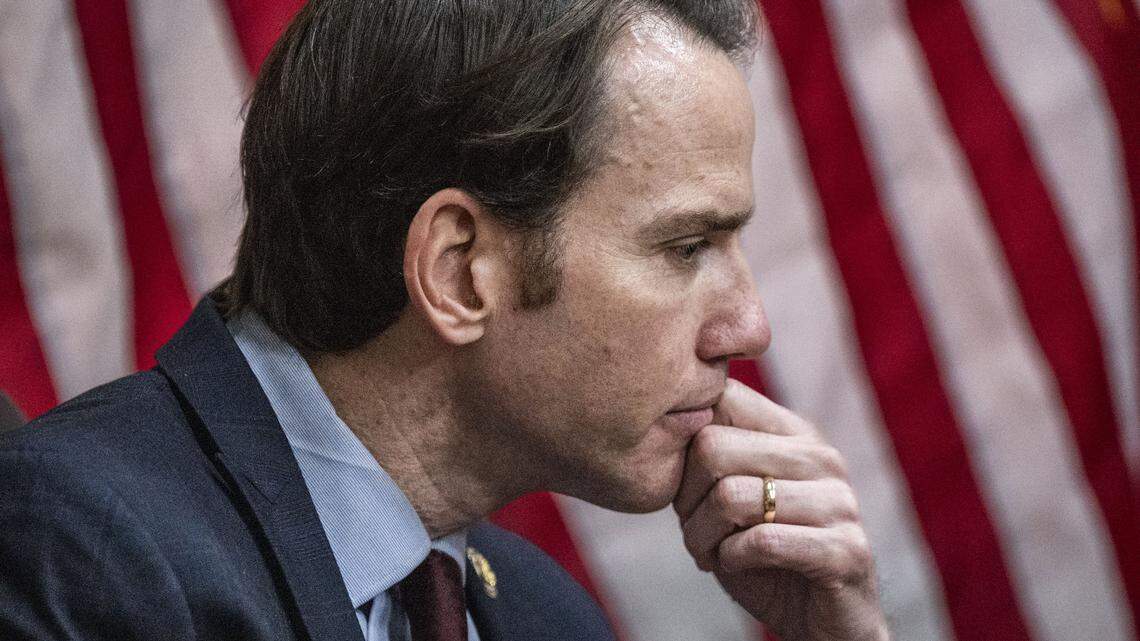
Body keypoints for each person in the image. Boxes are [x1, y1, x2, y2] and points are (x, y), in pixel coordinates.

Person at [0, 1, 889, 640]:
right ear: (459, 269)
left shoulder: (547, 616)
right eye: (686, 245)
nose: (748, 325)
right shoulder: (77, 545)